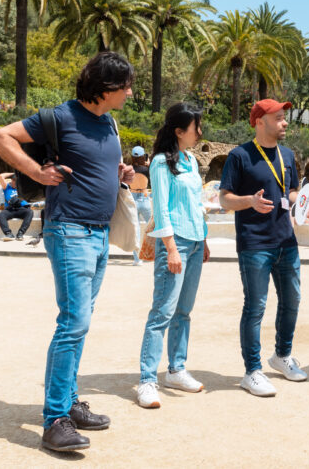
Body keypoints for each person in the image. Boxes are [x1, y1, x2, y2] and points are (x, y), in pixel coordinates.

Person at [0, 51, 136, 453]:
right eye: (125, 86)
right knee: (73, 322)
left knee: (79, 322)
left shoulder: (109, 122)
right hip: (69, 230)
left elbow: (101, 166)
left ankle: (69, 403)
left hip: (100, 232)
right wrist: (36, 172)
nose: (130, 92)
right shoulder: (61, 117)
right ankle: (55, 420)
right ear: (106, 88)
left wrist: (118, 173)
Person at [218, 98, 306, 398]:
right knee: (255, 307)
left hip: (287, 242)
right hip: (254, 243)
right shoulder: (239, 156)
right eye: (279, 117)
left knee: (292, 300)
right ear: (260, 121)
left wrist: (301, 201)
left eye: (284, 117)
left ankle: (282, 356)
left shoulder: (288, 155)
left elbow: (291, 191)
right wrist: (249, 202)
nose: (285, 122)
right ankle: (252, 371)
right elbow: (224, 198)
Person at [136, 103, 210, 409]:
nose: (200, 132)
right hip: (175, 241)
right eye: (196, 127)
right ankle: (147, 380)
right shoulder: (160, 163)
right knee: (162, 312)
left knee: (184, 311)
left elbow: (197, 203)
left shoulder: (190, 159)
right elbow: (162, 208)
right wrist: (170, 248)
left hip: (194, 241)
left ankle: (177, 369)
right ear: (179, 131)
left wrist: (203, 239)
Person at [0, 172, 34, 241]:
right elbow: (1, 176)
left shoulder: (22, 188)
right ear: (11, 180)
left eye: (16, 181)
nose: (15, 182)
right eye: (13, 180)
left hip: (21, 209)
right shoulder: (7, 187)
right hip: (10, 210)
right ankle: (8, 234)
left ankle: (20, 233)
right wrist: (14, 173)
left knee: (30, 212)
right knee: (1, 215)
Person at [129, 146, 151, 266]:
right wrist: (148, 165)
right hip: (145, 198)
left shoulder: (129, 169)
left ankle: (137, 259)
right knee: (153, 227)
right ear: (143, 156)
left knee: (135, 231)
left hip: (133, 199)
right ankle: (155, 254)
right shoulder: (147, 169)